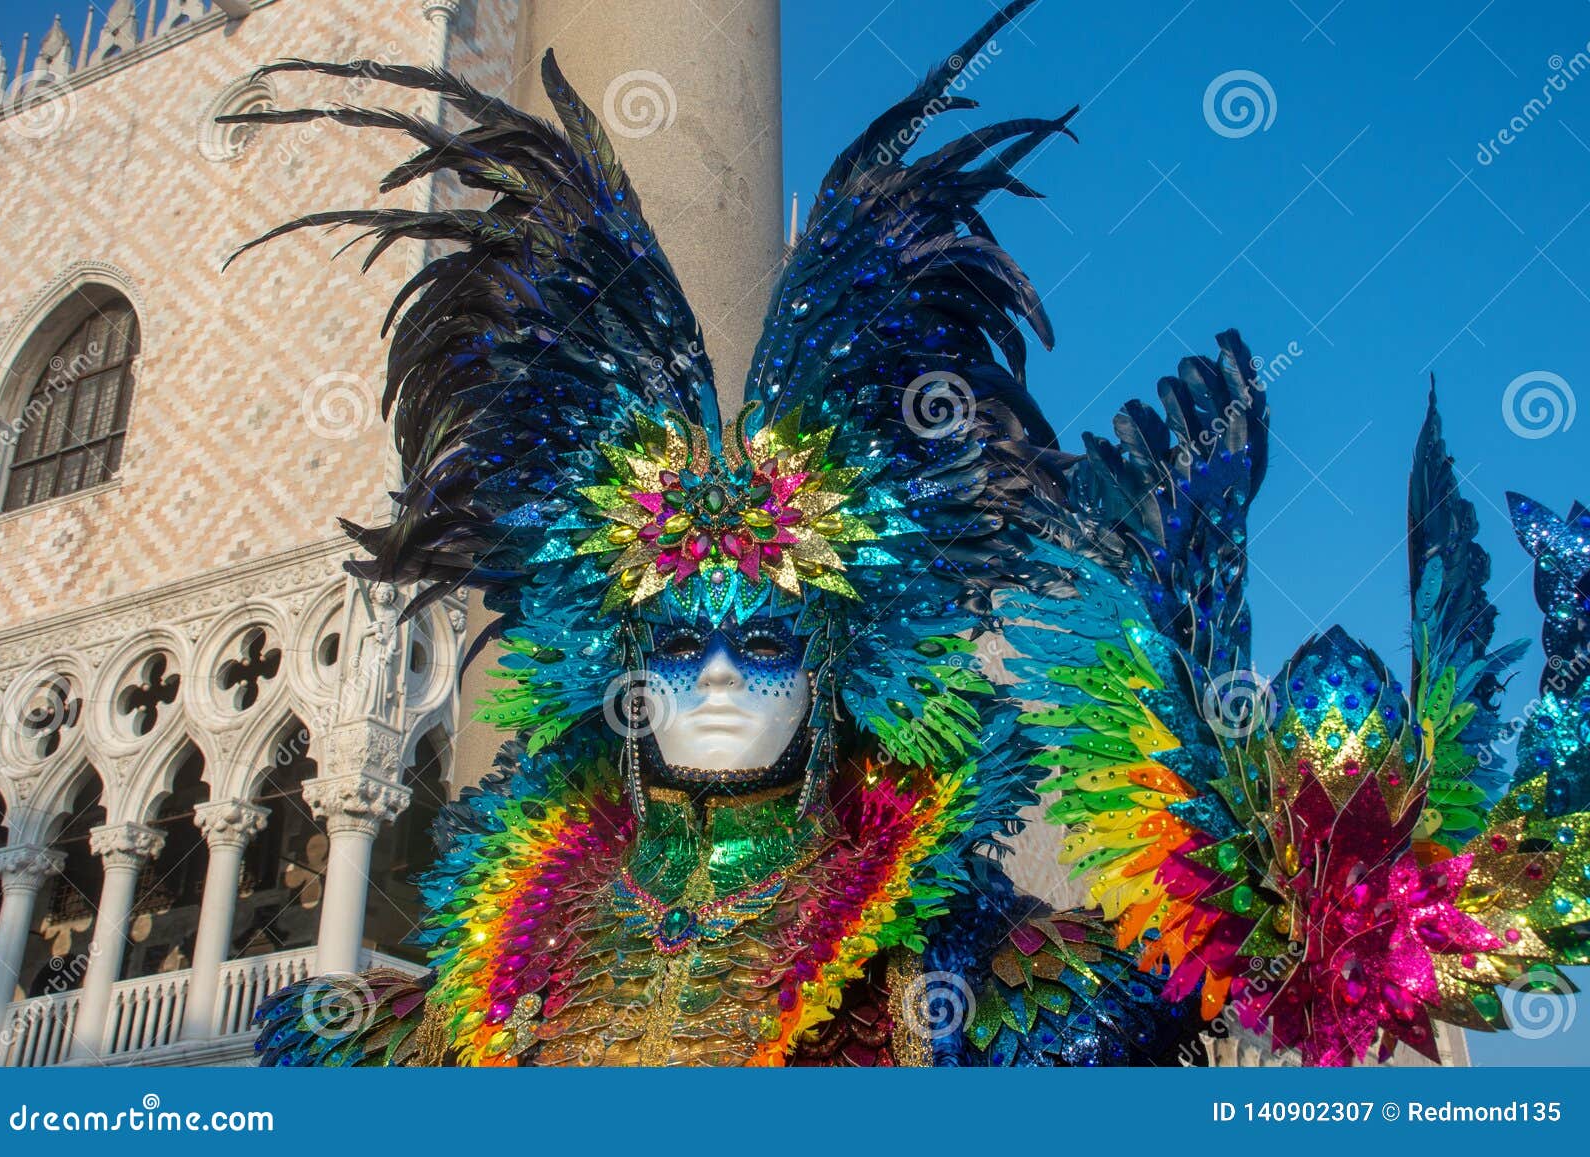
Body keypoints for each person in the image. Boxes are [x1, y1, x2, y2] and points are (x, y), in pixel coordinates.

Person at [236, 1, 1588, 1067]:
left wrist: (1360, 887)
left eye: (765, 637)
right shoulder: (470, 985)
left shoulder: (985, 978)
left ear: (834, 659)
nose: (715, 672)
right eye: (682, 634)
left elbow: (1291, 963)